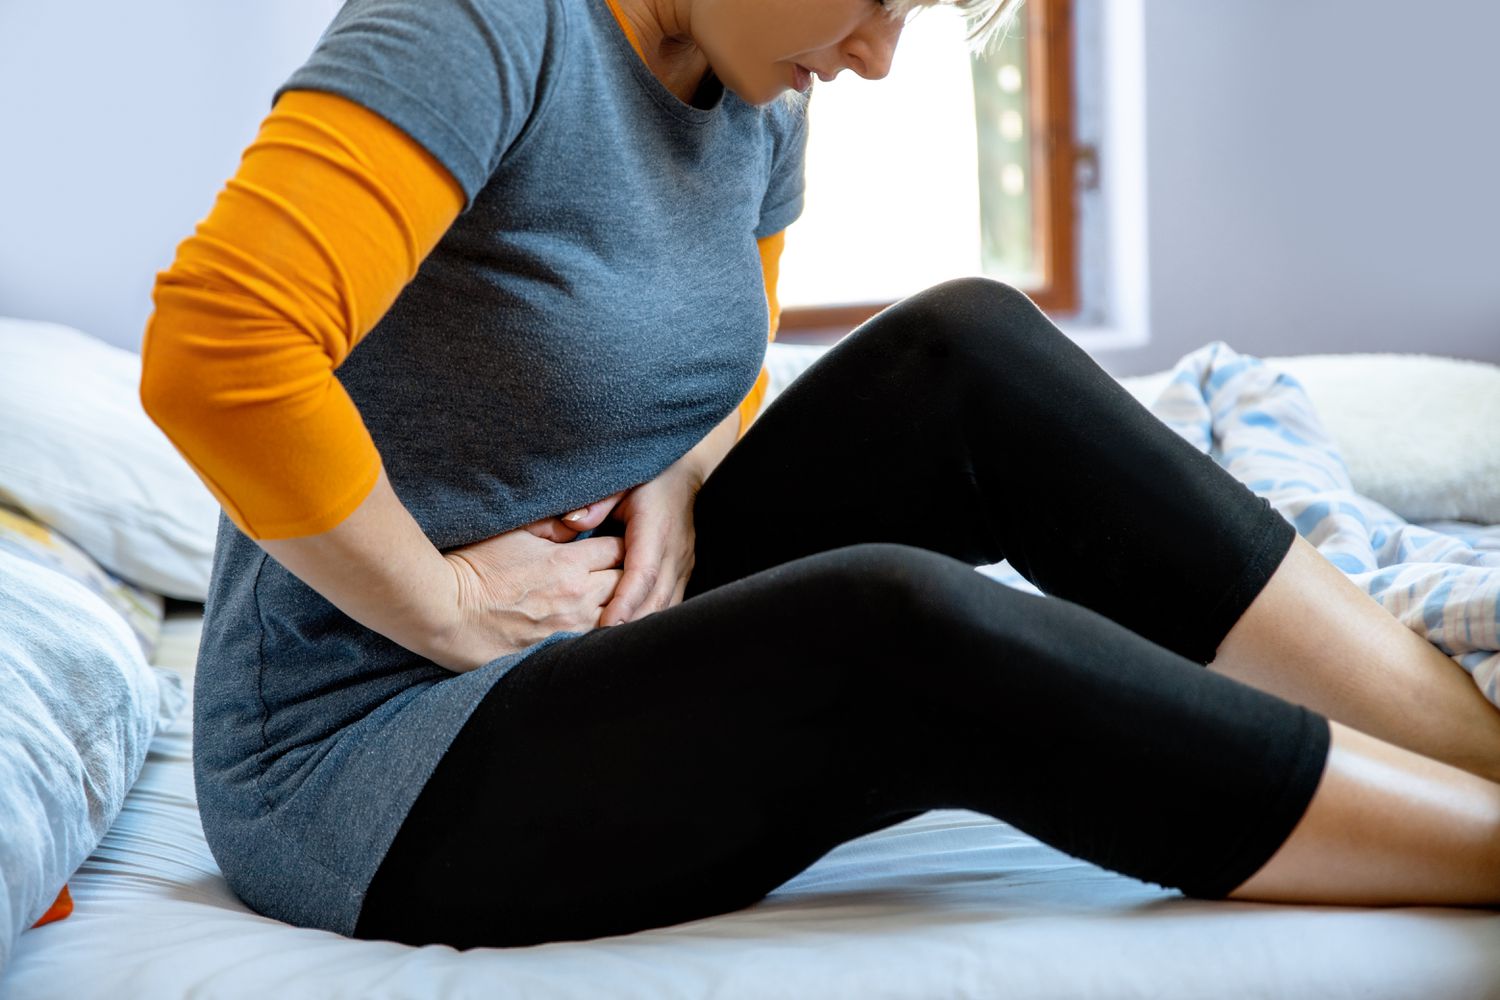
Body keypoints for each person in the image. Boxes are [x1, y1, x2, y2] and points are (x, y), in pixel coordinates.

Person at [139, 0, 1500, 950]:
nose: (878, 58)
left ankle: (1481, 756)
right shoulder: (482, 24)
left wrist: (681, 468)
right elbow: (217, 347)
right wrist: (440, 605)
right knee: (895, 627)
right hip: (373, 747)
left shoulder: (751, 81)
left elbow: (712, 356)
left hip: (612, 611)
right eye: (871, 1)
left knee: (966, 351)